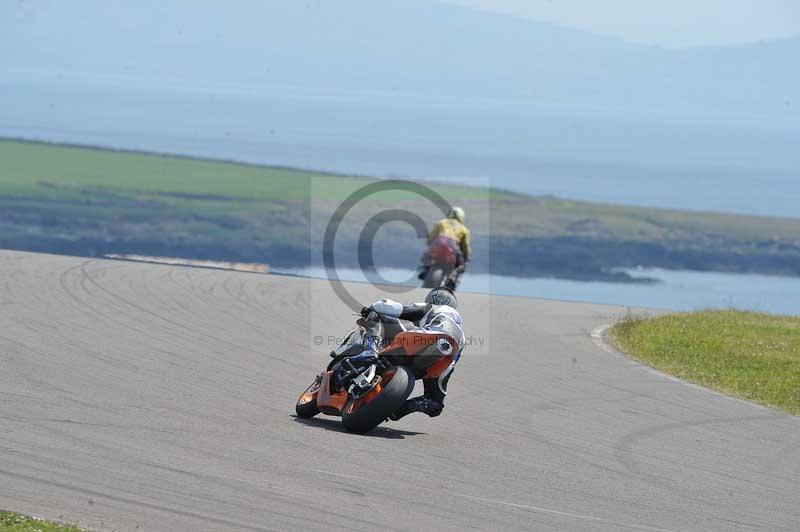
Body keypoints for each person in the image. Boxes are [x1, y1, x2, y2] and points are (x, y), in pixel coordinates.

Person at [352, 287, 464, 420]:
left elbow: (389, 306)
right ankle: (402, 409)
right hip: (443, 362)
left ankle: (369, 351)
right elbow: (450, 365)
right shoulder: (462, 336)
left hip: (424, 338)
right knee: (435, 404)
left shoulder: (431, 307)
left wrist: (370, 308)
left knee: (376, 316)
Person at [417, 206, 472, 286]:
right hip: (453, 248)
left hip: (437, 245)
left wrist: (430, 246)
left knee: (426, 257)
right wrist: (466, 258)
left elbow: (430, 239)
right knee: (461, 265)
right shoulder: (464, 229)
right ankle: (453, 278)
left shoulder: (441, 223)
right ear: (461, 217)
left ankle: (425, 270)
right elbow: (465, 247)